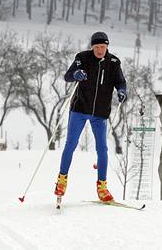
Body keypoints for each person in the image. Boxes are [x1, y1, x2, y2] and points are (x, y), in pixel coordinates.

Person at [54, 31, 127, 202]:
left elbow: (120, 82)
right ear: (92, 46)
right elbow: (67, 76)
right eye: (97, 47)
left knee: (102, 149)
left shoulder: (114, 63)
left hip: (100, 113)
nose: (100, 50)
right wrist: (76, 75)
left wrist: (122, 91)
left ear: (107, 46)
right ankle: (61, 181)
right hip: (79, 109)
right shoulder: (82, 58)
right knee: (71, 144)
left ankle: (102, 187)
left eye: (103, 47)